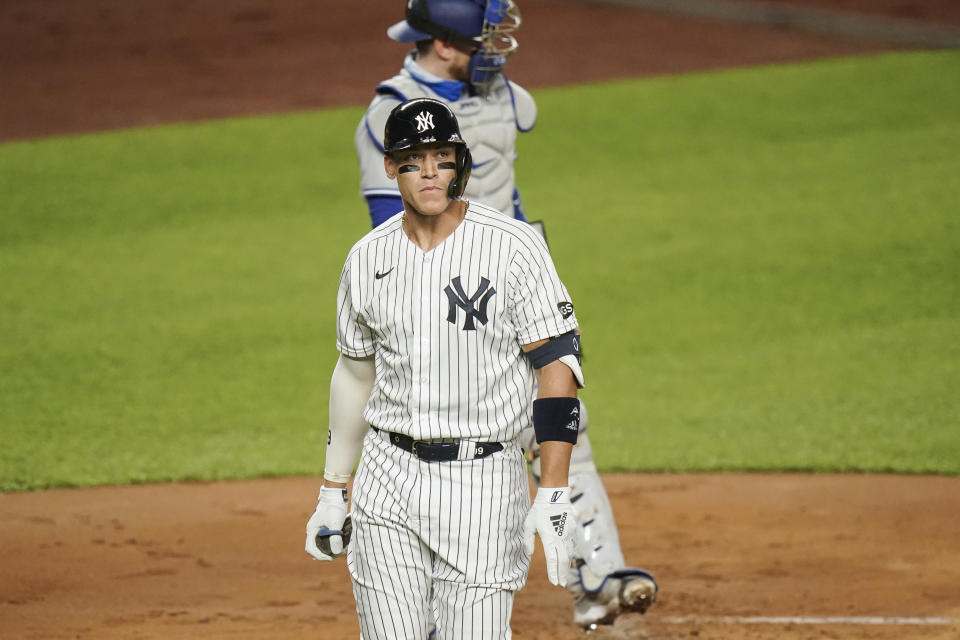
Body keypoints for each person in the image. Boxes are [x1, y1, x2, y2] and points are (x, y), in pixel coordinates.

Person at [352, 0, 657, 630]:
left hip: (512, 295)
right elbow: (394, 226)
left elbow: (505, 197)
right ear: (443, 44)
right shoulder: (390, 114)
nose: (495, 44)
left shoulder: (498, 98)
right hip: (441, 314)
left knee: (563, 423)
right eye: (481, 35)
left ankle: (597, 576)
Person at [305, 97, 584, 639]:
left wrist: (553, 488)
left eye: (442, 157)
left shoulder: (513, 246)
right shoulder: (367, 258)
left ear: (459, 162)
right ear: (391, 167)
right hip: (388, 478)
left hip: (482, 484)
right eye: (414, 159)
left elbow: (557, 364)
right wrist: (333, 489)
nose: (430, 172)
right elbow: (355, 374)